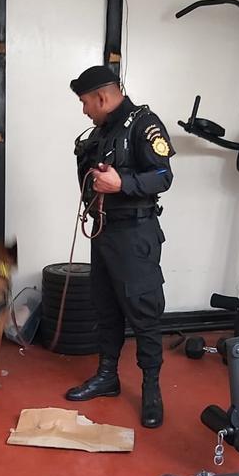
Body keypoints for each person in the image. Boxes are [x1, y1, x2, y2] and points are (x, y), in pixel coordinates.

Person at [63, 65, 175, 429]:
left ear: (102, 97)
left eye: (84, 102)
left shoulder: (144, 124)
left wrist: (122, 183)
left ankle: (152, 388)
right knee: (106, 307)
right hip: (104, 232)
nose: (83, 110)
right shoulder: (103, 129)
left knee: (144, 312)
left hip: (135, 235)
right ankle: (107, 376)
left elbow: (163, 176)